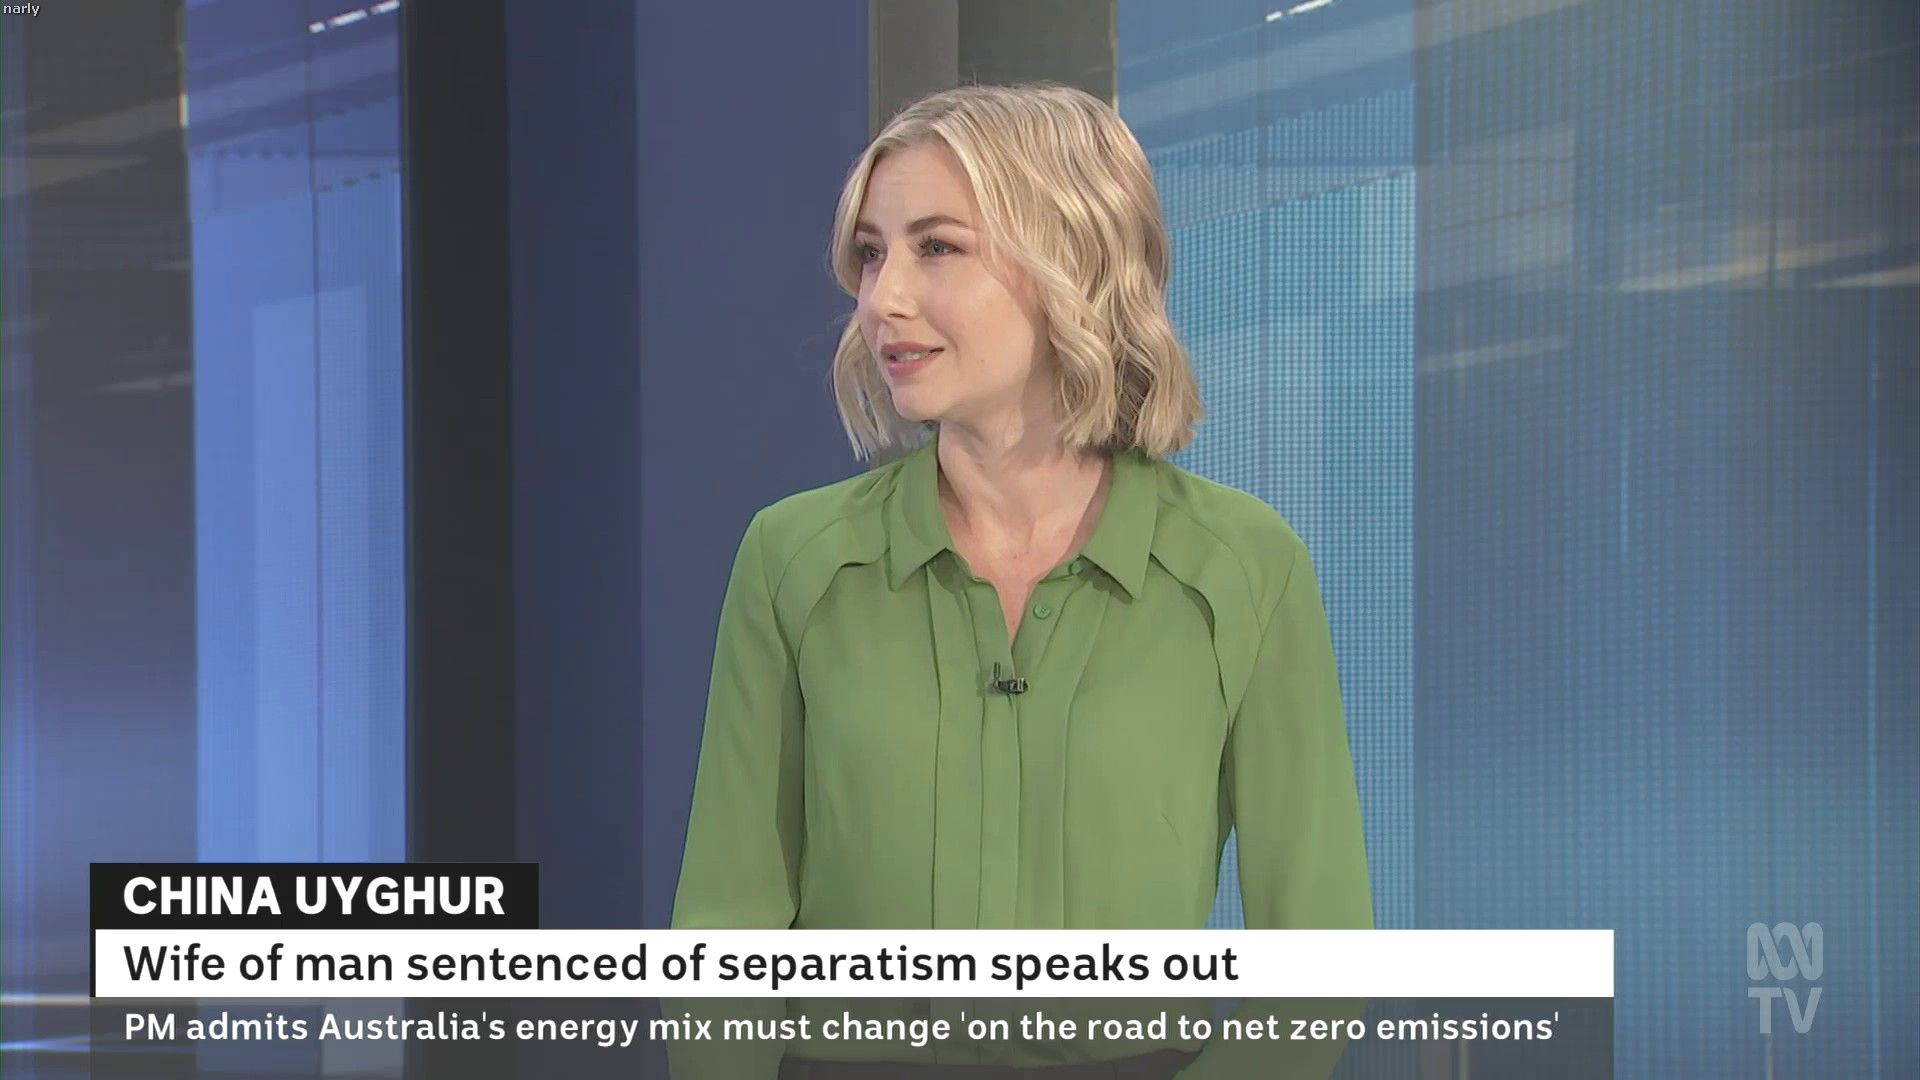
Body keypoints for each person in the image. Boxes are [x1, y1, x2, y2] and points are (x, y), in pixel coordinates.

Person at [669, 82, 1372, 1080]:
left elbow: (1316, 954)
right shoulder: (794, 560)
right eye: (870, 254)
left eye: (936, 247)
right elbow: (724, 933)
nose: (882, 299)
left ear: (1071, 261)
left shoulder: (1244, 568)